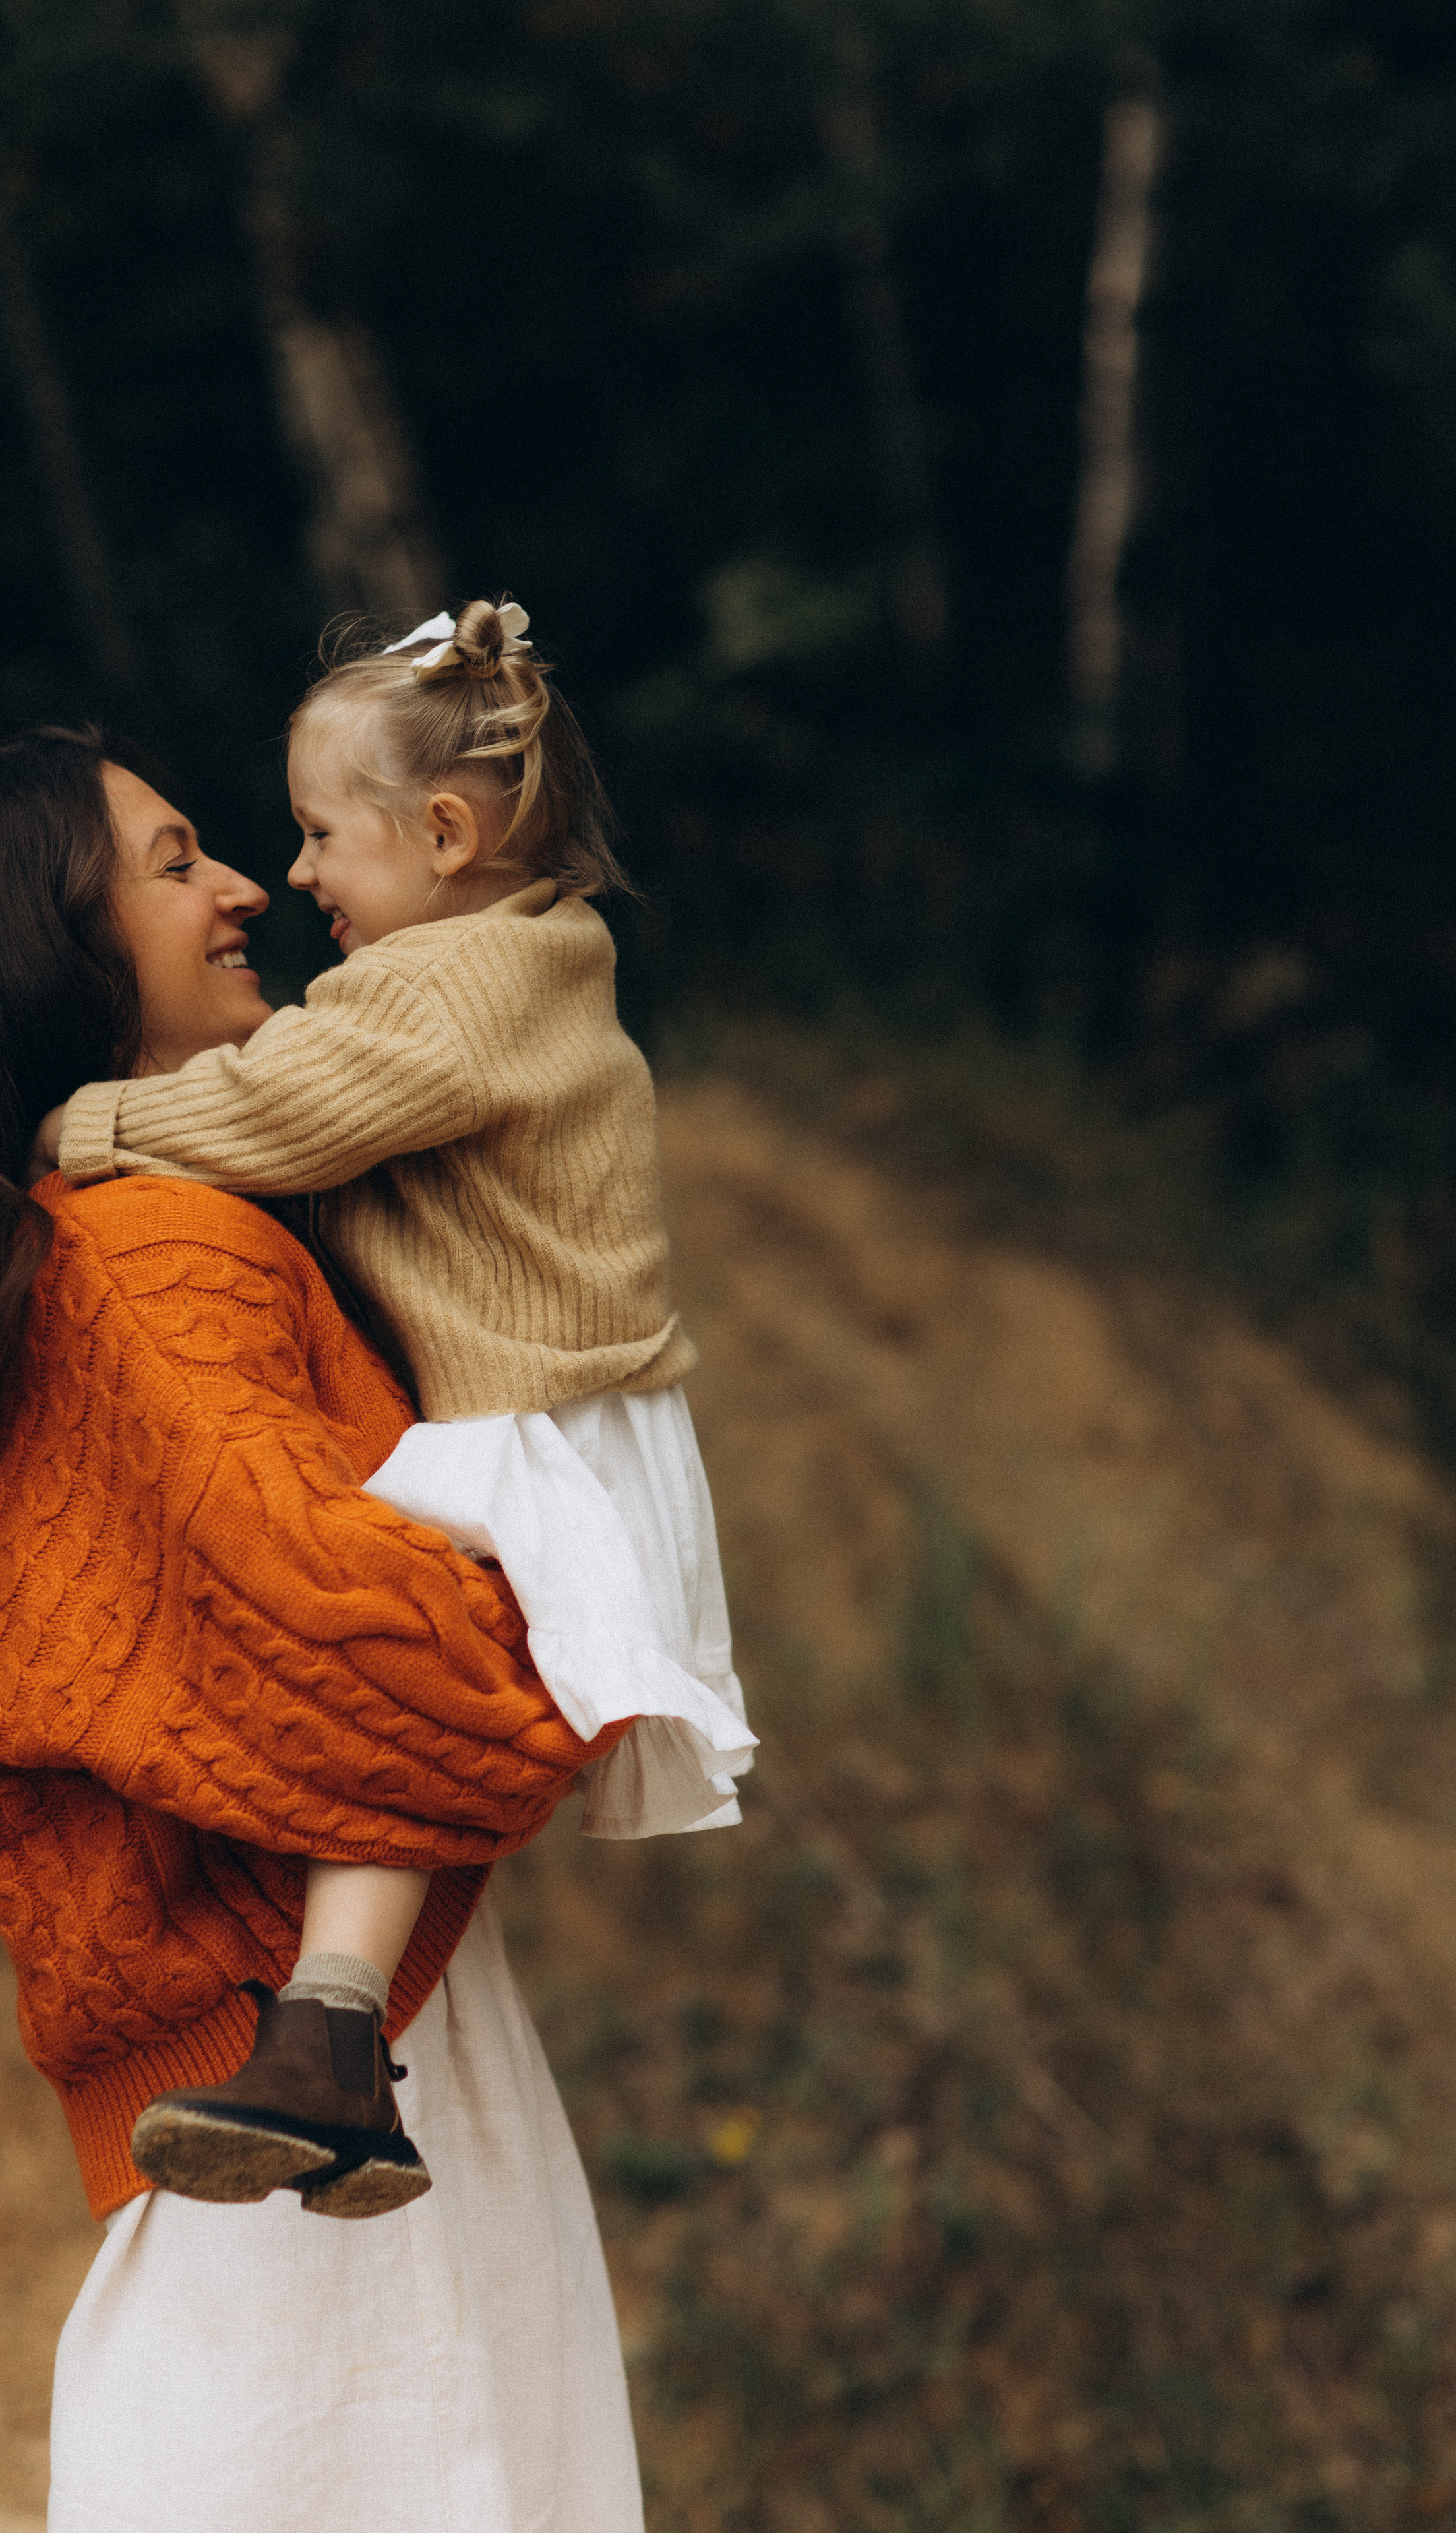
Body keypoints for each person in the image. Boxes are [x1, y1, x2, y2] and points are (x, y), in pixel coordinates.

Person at [0, 723, 646, 2529]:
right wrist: (571, 1629)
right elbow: (389, 1668)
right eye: (175, 858)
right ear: (55, 942)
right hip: (318, 2114)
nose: (239, 892)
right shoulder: (160, 1252)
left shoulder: (109, 1239)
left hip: (286, 2101)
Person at [41, 598, 752, 2217]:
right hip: (567, 1422)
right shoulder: (507, 968)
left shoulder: (448, 994)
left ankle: (332, 2026)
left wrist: (82, 1131)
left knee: (385, 1623)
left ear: (442, 833)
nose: (286, 878)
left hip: (532, 1429)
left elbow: (278, 1107)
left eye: (313, 837)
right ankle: (340, 2047)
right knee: (389, 1622)